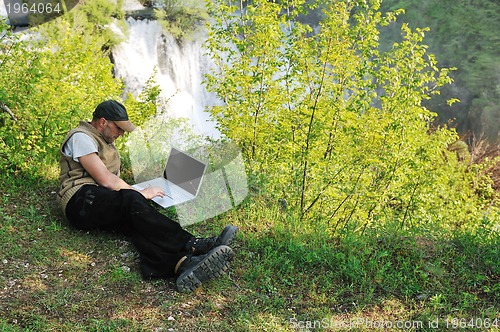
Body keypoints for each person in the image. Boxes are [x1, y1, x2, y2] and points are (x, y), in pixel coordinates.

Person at [57, 100, 238, 292]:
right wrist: (140, 193)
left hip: (98, 201)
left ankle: (181, 264)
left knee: (139, 221)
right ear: (103, 122)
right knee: (133, 200)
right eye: (118, 129)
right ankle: (193, 243)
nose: (121, 134)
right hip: (80, 200)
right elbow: (105, 180)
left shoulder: (104, 140)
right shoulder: (81, 137)